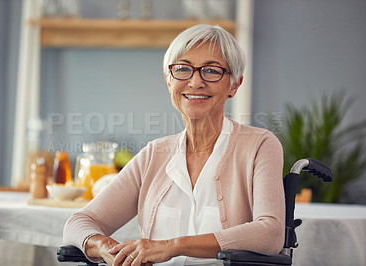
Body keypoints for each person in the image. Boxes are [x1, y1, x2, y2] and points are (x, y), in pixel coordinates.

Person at [63, 24, 285, 266]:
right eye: (183, 69)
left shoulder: (260, 145)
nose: (195, 81)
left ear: (234, 84)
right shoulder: (153, 155)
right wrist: (108, 249)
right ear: (169, 80)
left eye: (211, 70)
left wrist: (171, 247)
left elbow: (270, 233)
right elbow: (79, 222)